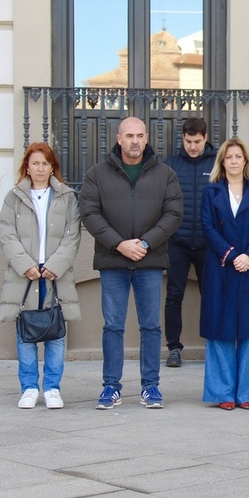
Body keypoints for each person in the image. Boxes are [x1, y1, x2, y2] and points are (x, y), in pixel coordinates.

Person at [80, 116, 182, 409]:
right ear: (119, 139)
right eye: (129, 136)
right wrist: (119, 244)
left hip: (149, 261)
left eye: (139, 135)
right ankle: (110, 386)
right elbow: (89, 212)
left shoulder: (165, 175)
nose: (135, 141)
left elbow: (173, 214)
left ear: (147, 138)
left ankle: (150, 386)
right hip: (113, 260)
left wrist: (146, 243)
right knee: (113, 325)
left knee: (151, 326)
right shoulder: (97, 174)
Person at [0, 142, 81, 409]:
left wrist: (55, 264)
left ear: (52, 166)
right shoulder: (14, 197)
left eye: (45, 163)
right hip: (26, 275)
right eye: (35, 163)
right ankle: (29, 387)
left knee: (56, 330)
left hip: (56, 274)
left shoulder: (67, 197)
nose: (40, 168)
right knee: (26, 332)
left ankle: (53, 388)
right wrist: (25, 265)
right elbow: (7, 233)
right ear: (27, 167)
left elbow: (72, 236)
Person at [200, 138, 249, 409]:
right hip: (222, 267)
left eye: (238, 156)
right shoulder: (211, 191)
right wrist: (232, 255)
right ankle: (222, 393)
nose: (234, 161)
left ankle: (248, 391)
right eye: (229, 157)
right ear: (222, 161)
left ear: (246, 161)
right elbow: (208, 227)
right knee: (221, 329)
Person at [163, 118, 216, 368]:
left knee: (212, 296)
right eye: (188, 141)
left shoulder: (218, 164)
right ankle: (174, 348)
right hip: (178, 242)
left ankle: (215, 345)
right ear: (182, 138)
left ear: (205, 138)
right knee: (174, 296)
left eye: (197, 142)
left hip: (209, 243)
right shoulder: (171, 165)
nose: (192, 146)